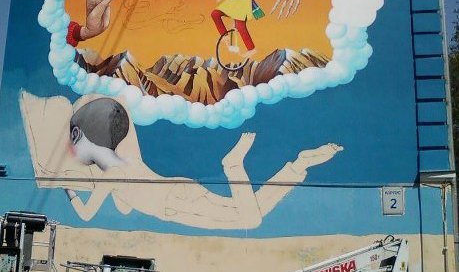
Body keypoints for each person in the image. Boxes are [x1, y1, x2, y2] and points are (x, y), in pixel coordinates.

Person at [59, 95, 343, 228]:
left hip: (173, 204)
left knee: (250, 219)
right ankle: (297, 167)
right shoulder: (127, 160)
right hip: (179, 190)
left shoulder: (110, 176)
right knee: (252, 209)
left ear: (78, 135)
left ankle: (234, 166)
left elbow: (86, 215)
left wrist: (67, 188)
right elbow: (125, 206)